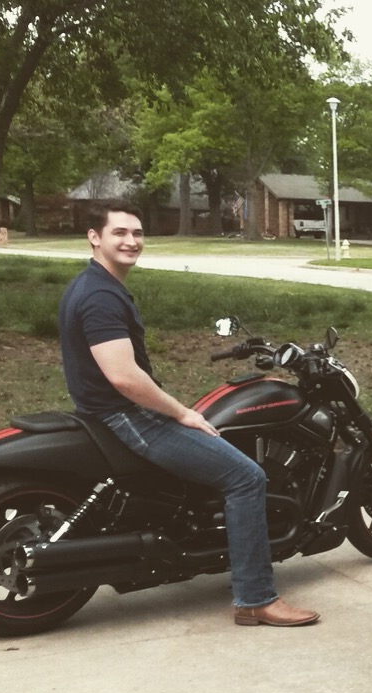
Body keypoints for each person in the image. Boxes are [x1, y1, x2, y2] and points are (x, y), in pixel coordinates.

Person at [58, 199, 318, 627]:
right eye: (119, 232)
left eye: (137, 233)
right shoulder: (101, 296)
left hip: (105, 410)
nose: (131, 241)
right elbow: (124, 377)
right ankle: (255, 598)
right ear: (94, 237)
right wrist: (180, 413)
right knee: (247, 477)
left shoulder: (91, 284)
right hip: (126, 414)